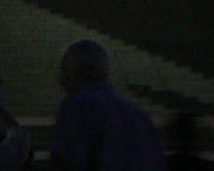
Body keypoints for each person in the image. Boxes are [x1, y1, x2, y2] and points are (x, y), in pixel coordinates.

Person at [50, 39, 165, 171]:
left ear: (79, 71)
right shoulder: (141, 117)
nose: (60, 80)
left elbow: (67, 161)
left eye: (65, 70)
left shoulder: (76, 106)